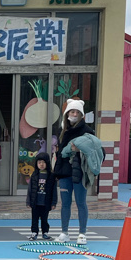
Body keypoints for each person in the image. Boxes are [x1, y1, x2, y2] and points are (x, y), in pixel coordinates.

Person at [53, 99, 104, 246]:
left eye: (77, 112)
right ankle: (64, 233)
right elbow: (60, 154)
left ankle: (82, 234)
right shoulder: (63, 130)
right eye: (72, 111)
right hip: (65, 173)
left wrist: (80, 150)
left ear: (81, 115)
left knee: (81, 202)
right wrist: (57, 171)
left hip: (80, 173)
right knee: (65, 204)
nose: (74, 114)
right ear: (67, 113)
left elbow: (99, 151)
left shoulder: (87, 131)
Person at [26, 152, 58, 239]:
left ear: (47, 163)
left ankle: (45, 232)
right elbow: (30, 189)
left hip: (46, 202)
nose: (41, 164)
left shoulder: (51, 176)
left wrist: (53, 203)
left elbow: (54, 190)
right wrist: (28, 201)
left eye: (43, 162)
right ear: (36, 164)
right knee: (34, 218)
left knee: (44, 219)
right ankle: (34, 232)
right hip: (35, 202)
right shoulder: (34, 175)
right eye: (39, 162)